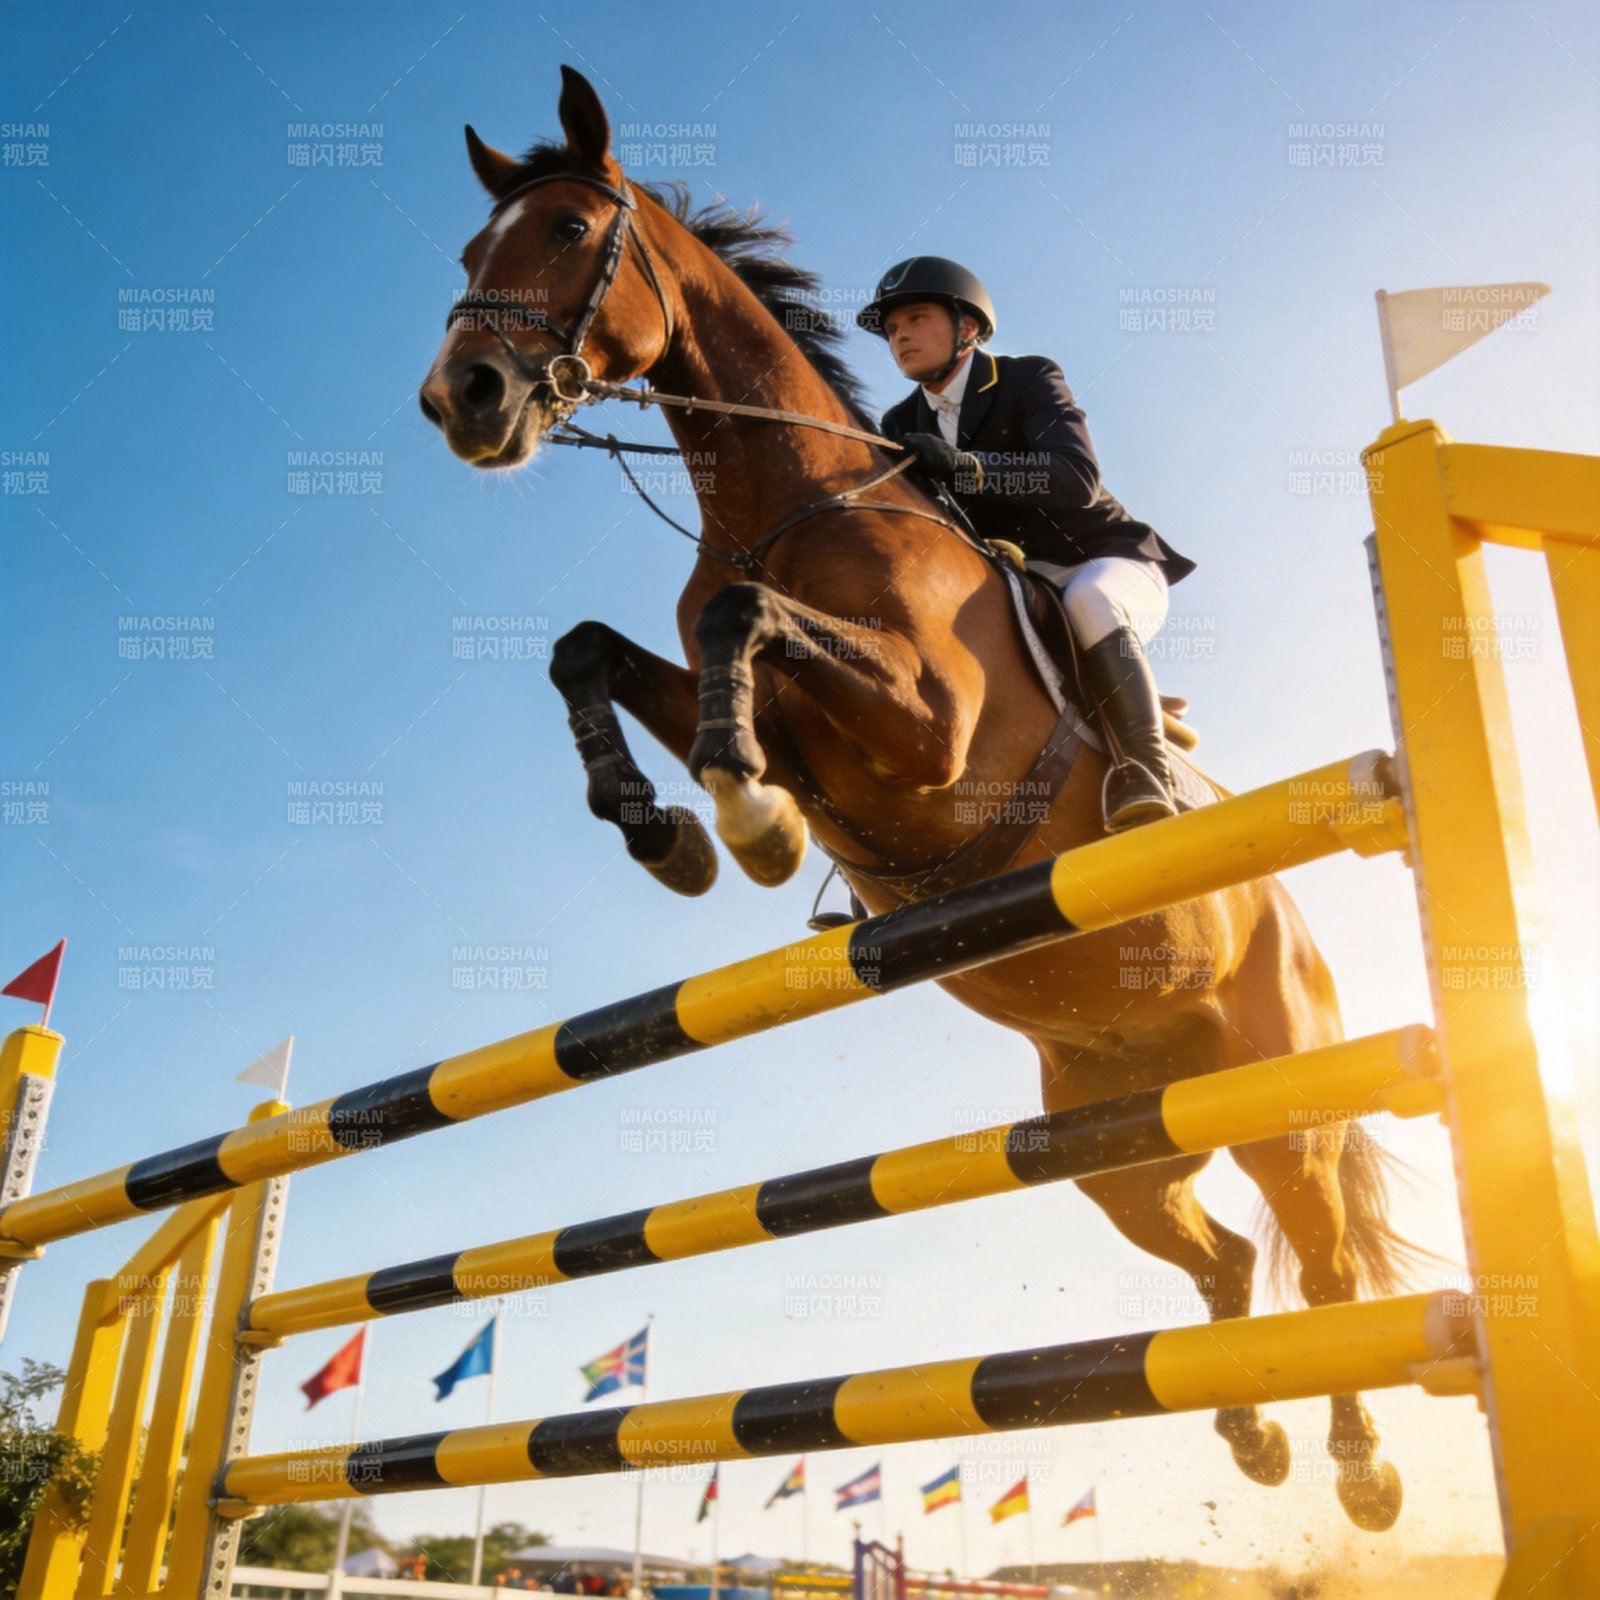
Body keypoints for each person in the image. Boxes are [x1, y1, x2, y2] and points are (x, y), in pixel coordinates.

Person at [859, 257, 1196, 830]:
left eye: (915, 318)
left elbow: (1076, 479)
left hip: (1103, 559)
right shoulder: (897, 424)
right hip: (1015, 585)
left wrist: (971, 468)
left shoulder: (1026, 377)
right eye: (891, 330)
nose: (901, 337)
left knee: (1089, 600)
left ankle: (1146, 767)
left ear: (967, 327)